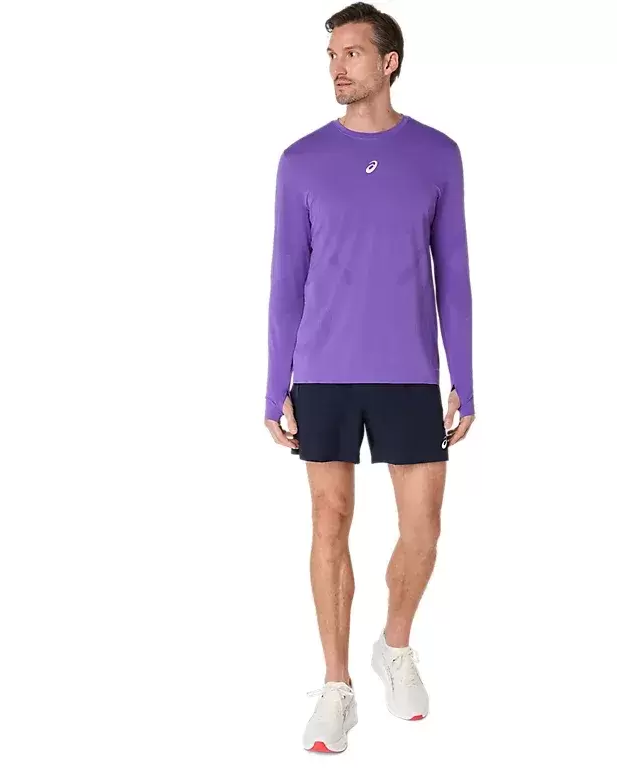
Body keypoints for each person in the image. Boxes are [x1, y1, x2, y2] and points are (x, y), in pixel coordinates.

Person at [263, 2, 476, 753]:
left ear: (389, 62)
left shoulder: (437, 154)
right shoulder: (301, 161)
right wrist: (276, 383)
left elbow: (453, 271)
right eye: (331, 55)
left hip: (409, 372)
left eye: (351, 53)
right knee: (329, 522)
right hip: (323, 372)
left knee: (423, 529)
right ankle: (336, 686)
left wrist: (465, 375)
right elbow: (286, 279)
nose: (337, 67)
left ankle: (394, 644)